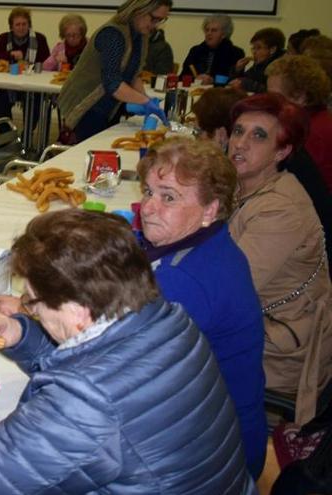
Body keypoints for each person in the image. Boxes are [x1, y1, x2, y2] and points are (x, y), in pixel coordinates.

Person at [0, 209, 257, 493]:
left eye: (33, 303)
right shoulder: (170, 320)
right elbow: (101, 356)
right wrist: (24, 335)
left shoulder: (89, 401)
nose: (30, 309)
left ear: (79, 310)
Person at [137, 137, 267, 478]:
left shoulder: (186, 280)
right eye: (148, 192)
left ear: (210, 209)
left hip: (206, 461)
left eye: (169, 197)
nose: (147, 208)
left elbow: (115, 366)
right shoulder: (209, 244)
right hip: (217, 431)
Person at [227, 93, 332, 426]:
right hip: (258, 328)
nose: (240, 143)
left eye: (258, 135)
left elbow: (227, 293)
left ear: (282, 151)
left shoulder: (280, 210)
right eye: (238, 131)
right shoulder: (247, 186)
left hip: (276, 352)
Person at [58, 0, 171, 142]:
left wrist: (144, 99)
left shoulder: (140, 35)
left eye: (161, 20)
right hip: (86, 105)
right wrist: (145, 101)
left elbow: (133, 75)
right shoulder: (113, 34)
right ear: (139, 9)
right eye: (154, 19)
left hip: (109, 106)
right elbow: (112, 83)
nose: (156, 25)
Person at [265, 55, 332, 265]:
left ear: (301, 97)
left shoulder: (307, 134)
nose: (268, 103)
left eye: (274, 96)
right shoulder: (318, 120)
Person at [0, 7, 50, 134]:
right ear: (12, 26)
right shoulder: (3, 38)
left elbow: (46, 62)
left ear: (29, 25)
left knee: (34, 102)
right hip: (8, 84)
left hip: (32, 84)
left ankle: (26, 136)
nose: (21, 27)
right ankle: (8, 135)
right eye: (18, 24)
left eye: (24, 24)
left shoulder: (39, 39)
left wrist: (25, 59)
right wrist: (10, 55)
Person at [180, 14, 245, 84]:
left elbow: (234, 80)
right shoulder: (196, 50)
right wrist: (196, 79)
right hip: (195, 90)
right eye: (207, 30)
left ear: (224, 34)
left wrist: (213, 80)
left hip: (219, 92)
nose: (209, 33)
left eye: (214, 30)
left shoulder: (235, 53)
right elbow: (182, 77)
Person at [230, 27, 285, 93]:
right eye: (253, 48)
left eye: (258, 48)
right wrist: (238, 70)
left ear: (272, 49)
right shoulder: (259, 64)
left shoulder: (279, 66)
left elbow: (270, 91)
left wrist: (246, 84)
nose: (254, 52)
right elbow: (239, 80)